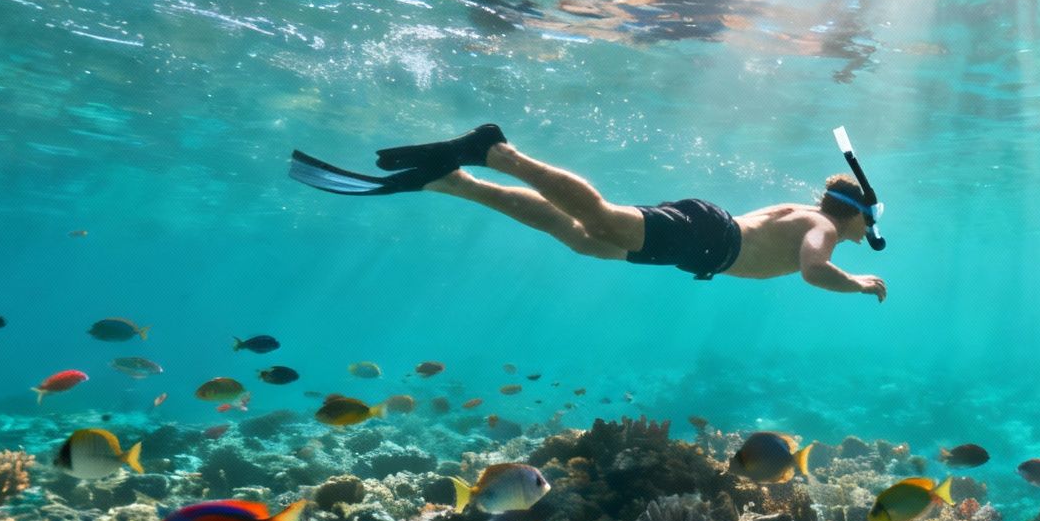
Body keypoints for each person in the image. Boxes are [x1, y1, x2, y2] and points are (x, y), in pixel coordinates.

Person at [289, 124, 886, 299]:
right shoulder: (824, 227)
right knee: (599, 219)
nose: (869, 234)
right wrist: (855, 283)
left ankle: (454, 182)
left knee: (582, 237)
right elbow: (811, 268)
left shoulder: (803, 210)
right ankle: (497, 151)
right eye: (871, 223)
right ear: (854, 213)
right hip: (705, 238)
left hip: (702, 243)